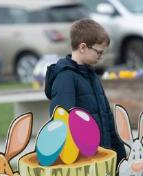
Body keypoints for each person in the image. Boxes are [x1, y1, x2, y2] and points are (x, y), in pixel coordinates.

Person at [44, 18, 127, 163]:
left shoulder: (90, 74)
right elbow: (62, 123)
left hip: (102, 157)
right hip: (83, 163)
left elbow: (106, 117)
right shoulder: (65, 77)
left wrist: (121, 159)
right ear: (83, 47)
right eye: (99, 53)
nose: (101, 57)